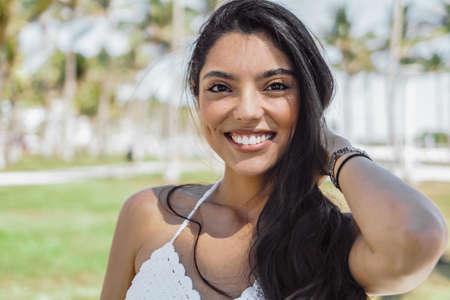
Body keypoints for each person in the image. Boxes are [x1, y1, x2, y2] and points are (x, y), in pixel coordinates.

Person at [100, 1, 448, 299]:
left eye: (276, 86)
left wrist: (335, 149)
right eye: (221, 87)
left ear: (311, 100)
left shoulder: (338, 244)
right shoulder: (149, 215)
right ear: (198, 96)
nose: (247, 111)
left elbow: (417, 236)